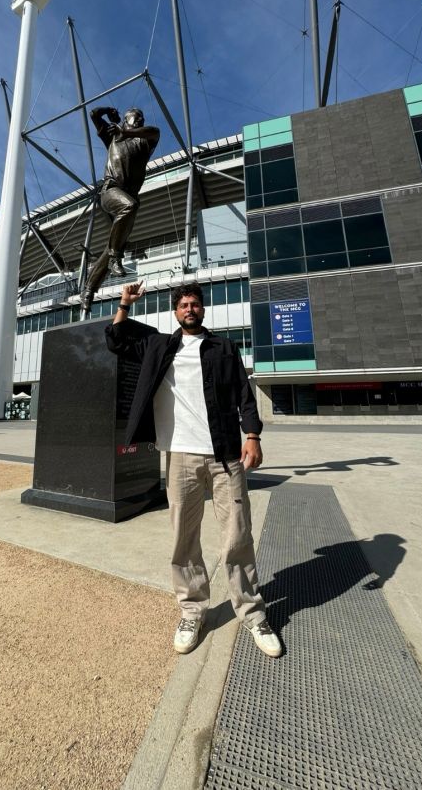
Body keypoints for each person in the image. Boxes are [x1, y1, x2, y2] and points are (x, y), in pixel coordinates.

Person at [105, 281, 282, 658]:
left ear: (203, 310)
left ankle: (252, 613)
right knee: (183, 539)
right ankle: (192, 610)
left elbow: (244, 395)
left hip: (224, 456)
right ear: (175, 312)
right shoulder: (158, 345)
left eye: (195, 304)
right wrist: (124, 302)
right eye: (183, 304)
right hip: (180, 456)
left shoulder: (223, 348)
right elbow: (116, 339)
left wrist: (252, 435)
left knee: (237, 536)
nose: (189, 309)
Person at [79, 107, 160, 312]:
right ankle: (116, 257)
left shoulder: (145, 141)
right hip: (111, 191)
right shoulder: (113, 137)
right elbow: (94, 114)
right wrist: (110, 112)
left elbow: (154, 131)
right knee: (129, 208)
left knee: (112, 245)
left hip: (130, 197)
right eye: (136, 117)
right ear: (124, 120)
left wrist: (128, 132)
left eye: (142, 117)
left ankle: (88, 290)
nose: (141, 119)